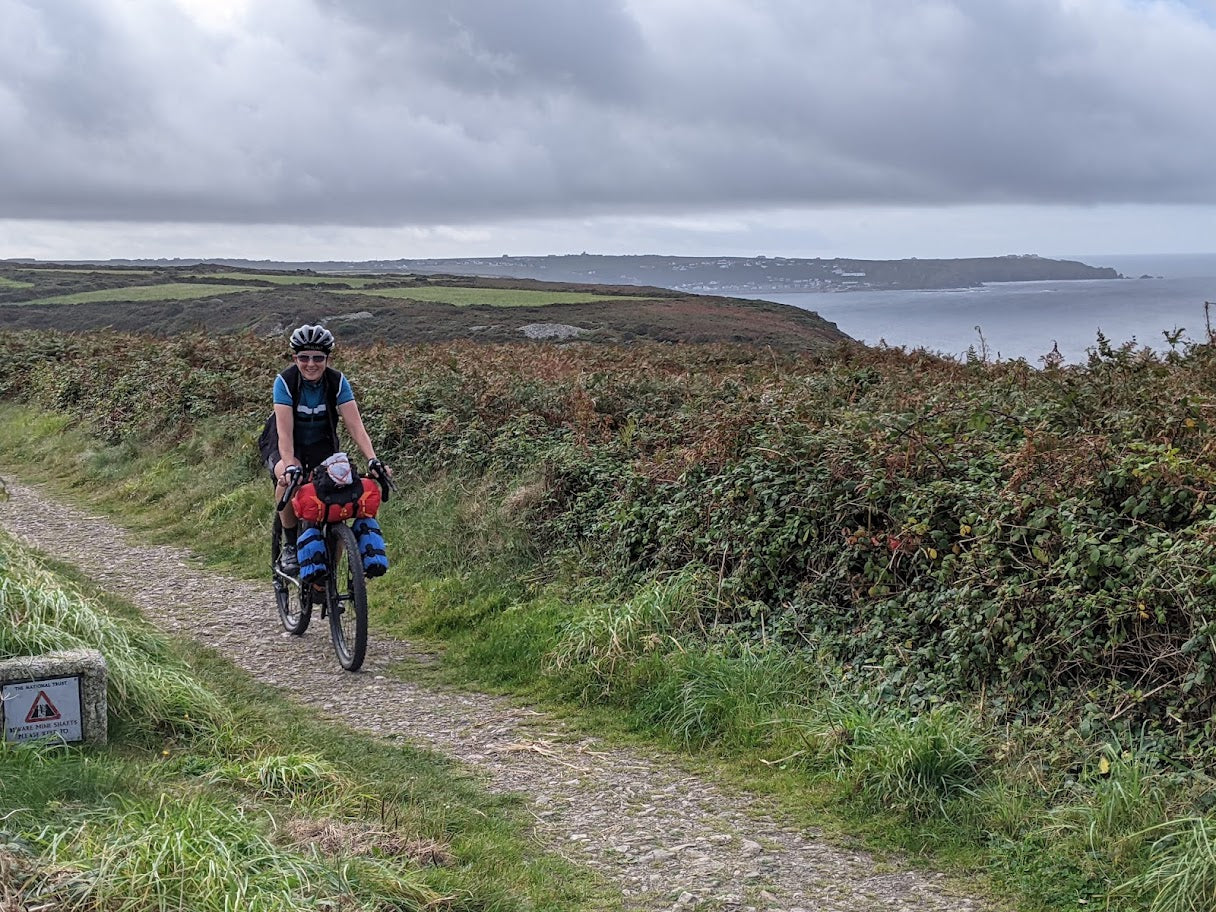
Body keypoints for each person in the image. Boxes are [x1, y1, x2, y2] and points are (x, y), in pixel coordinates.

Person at [266, 323, 384, 574]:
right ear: (294, 357)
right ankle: (289, 545)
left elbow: (356, 427)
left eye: (318, 357)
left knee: (338, 498)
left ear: (327, 358)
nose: (311, 364)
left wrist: (373, 459)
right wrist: (288, 465)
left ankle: (329, 574)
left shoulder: (337, 381)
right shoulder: (285, 382)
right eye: (304, 357)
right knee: (289, 481)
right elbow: (284, 434)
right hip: (286, 444)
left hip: (323, 446)